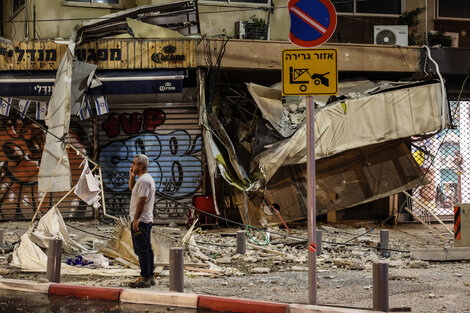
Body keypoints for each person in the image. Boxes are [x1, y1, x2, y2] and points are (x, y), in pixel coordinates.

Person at [128, 154, 156, 288]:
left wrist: (136, 220)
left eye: (134, 164)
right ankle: (149, 276)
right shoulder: (142, 180)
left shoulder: (144, 181)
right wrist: (132, 177)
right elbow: (132, 189)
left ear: (140, 166)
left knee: (142, 250)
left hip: (141, 221)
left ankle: (146, 278)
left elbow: (142, 201)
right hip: (143, 220)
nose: (131, 166)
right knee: (146, 249)